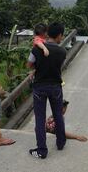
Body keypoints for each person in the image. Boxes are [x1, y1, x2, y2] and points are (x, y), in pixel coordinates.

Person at [27, 22, 67, 159]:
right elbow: (57, 66)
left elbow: (29, 64)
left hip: (39, 87)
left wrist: (36, 67)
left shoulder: (36, 49)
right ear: (59, 35)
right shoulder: (62, 52)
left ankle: (41, 150)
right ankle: (60, 143)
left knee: (40, 117)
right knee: (58, 115)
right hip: (55, 86)